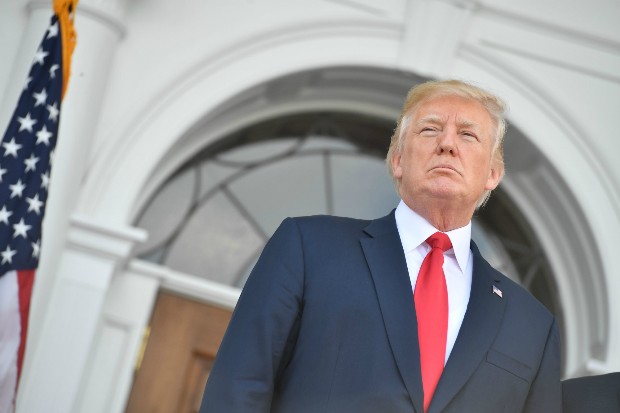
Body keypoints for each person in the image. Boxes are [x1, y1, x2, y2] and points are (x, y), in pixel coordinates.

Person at [199, 79, 562, 413]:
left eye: (468, 135)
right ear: (398, 160)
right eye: (430, 129)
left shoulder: (532, 324)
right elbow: (238, 387)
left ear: (493, 174)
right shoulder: (308, 249)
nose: (447, 144)